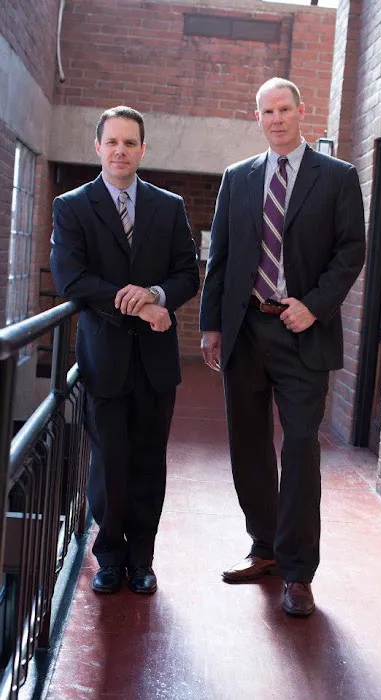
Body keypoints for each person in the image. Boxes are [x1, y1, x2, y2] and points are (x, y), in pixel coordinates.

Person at [200, 78, 365, 616]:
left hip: (303, 332)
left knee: (299, 446)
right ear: (258, 117)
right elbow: (221, 256)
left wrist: (313, 306)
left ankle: (298, 572)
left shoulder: (337, 177)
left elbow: (351, 252)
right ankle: (265, 547)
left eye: (284, 109)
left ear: (301, 111)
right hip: (245, 329)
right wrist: (211, 325)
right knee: (248, 443)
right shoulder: (238, 178)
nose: (276, 119)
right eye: (267, 111)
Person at [51, 106, 199, 595]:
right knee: (110, 462)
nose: (120, 150)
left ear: (142, 149)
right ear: (98, 147)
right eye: (112, 142)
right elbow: (71, 278)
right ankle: (110, 556)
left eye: (130, 142)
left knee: (149, 463)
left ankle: (142, 559)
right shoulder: (72, 206)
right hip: (105, 358)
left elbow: (187, 274)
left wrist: (156, 295)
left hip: (156, 363)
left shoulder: (168, 206)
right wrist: (138, 307)